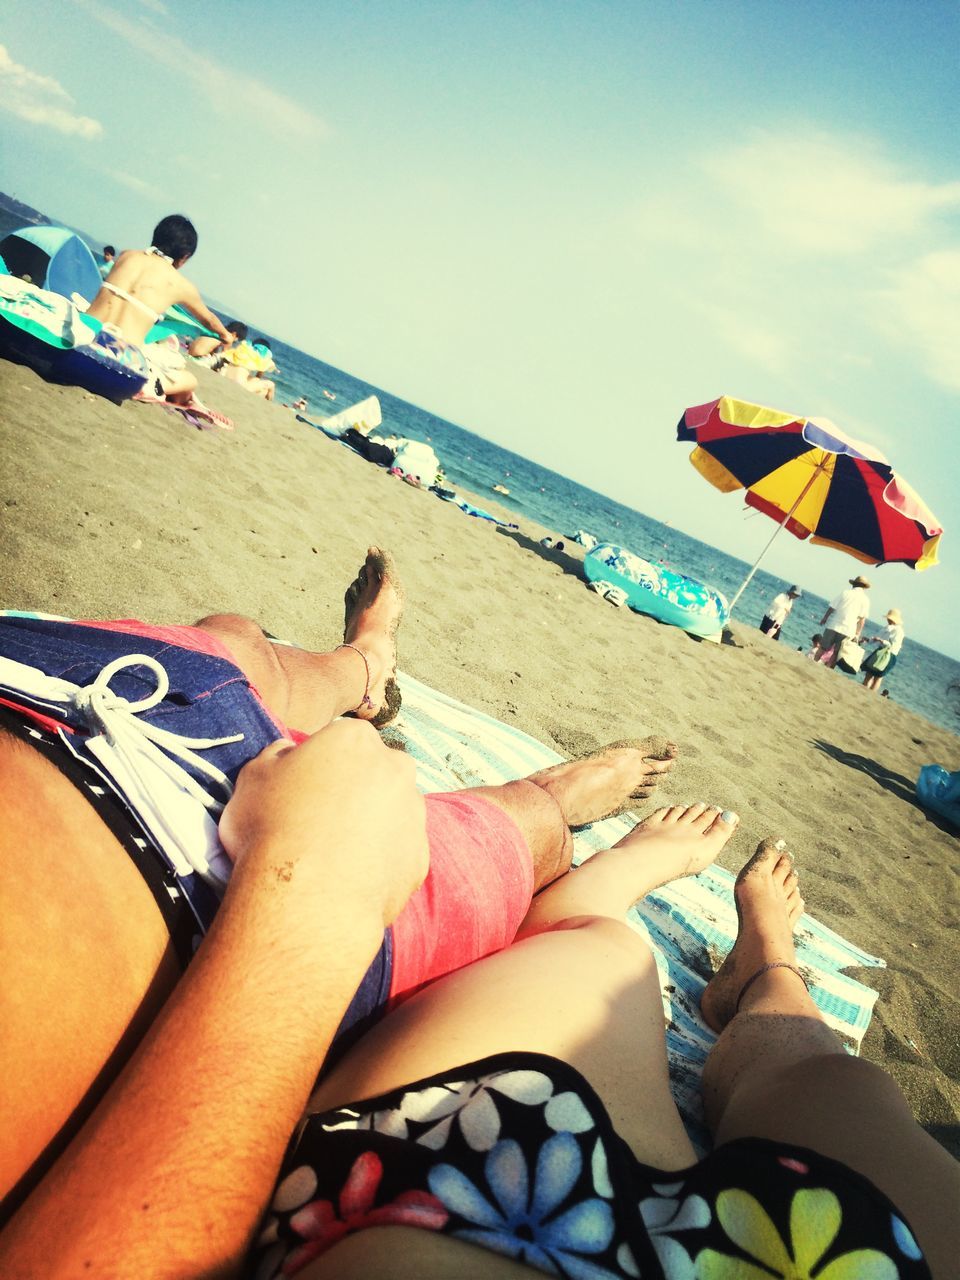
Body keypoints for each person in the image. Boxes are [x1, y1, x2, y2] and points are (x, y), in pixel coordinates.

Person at [2, 738, 956, 1276]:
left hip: (488, 1212)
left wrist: (311, 881)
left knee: (596, 957)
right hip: (873, 1259)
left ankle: (600, 887)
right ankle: (765, 972)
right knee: (821, 1074)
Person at [0, 548, 678, 1230]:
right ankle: (550, 795)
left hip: (47, 685)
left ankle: (363, 666)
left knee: (236, 642)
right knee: (509, 837)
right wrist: (311, 889)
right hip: (216, 905)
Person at [86, 214, 236, 407]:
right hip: (117, 371)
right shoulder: (181, 284)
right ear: (184, 257)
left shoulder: (126, 256)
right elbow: (209, 320)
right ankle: (154, 387)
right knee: (190, 380)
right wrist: (226, 336)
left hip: (78, 344)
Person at [813, 575, 871, 668]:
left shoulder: (845, 592)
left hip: (834, 625)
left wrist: (825, 618)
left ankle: (813, 664)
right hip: (848, 630)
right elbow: (862, 619)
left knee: (822, 648)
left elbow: (832, 607)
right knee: (836, 653)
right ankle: (827, 669)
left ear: (854, 584)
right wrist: (857, 634)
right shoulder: (866, 600)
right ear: (864, 587)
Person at [863, 608, 905, 692]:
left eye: (890, 618)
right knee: (869, 673)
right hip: (880, 651)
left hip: (889, 655)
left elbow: (893, 646)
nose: (888, 620)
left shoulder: (899, 631)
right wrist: (867, 640)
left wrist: (881, 641)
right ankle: (864, 690)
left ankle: (871, 693)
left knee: (878, 677)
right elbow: (876, 637)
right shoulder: (887, 627)